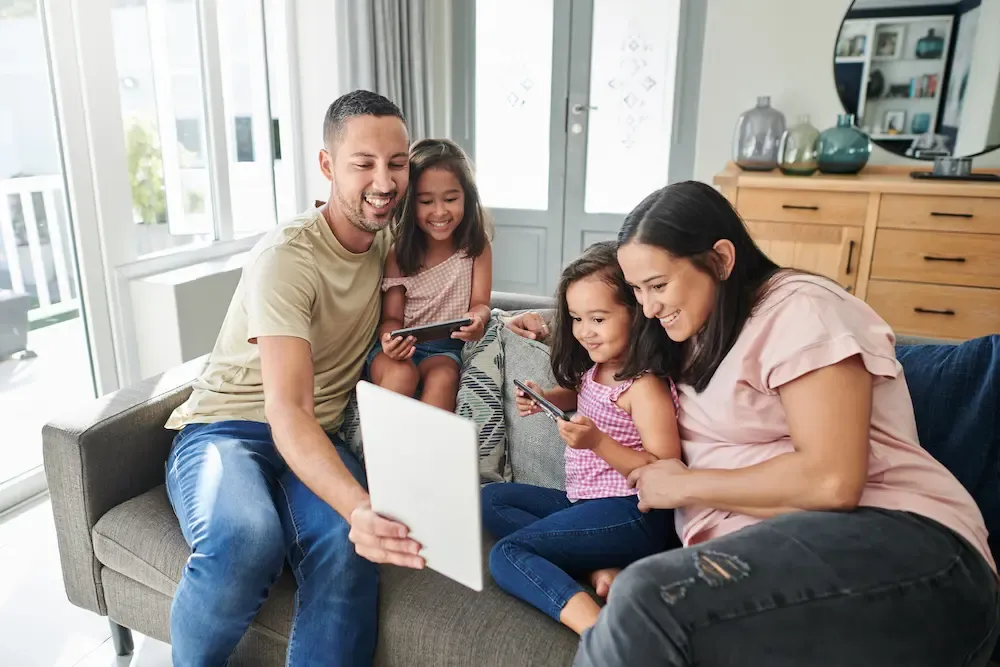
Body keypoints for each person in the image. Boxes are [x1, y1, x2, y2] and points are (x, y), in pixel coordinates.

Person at [563, 181, 998, 666]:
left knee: (644, 598)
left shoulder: (800, 308)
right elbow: (605, 334)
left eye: (659, 286)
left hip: (904, 547)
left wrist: (683, 485)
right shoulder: (688, 330)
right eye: (638, 290)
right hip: (772, 572)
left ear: (721, 259)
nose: (648, 306)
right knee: (641, 617)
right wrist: (540, 326)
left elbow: (832, 480)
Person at [162, 90, 423, 667]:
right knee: (247, 536)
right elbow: (287, 410)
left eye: (397, 163)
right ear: (327, 165)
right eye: (363, 163)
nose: (384, 182)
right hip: (225, 429)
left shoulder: (390, 245)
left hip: (314, 436)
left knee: (350, 551)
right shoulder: (288, 257)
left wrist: (512, 321)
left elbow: (461, 258)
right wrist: (358, 504)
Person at [481, 241, 683, 635]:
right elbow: (582, 395)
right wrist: (547, 397)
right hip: (586, 502)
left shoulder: (645, 388)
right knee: (490, 499)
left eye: (598, 319)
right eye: (576, 318)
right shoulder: (597, 367)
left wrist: (597, 444)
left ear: (637, 313)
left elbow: (666, 471)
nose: (584, 332)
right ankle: (597, 565)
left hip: (634, 513)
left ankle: (603, 635)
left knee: (508, 554)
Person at [367, 138, 492, 411]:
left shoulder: (477, 246)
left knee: (444, 378)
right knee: (402, 375)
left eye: (451, 199)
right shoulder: (399, 253)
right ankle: (383, 439)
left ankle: (427, 441)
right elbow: (391, 318)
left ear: (467, 197)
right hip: (399, 349)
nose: (440, 211)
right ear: (410, 203)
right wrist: (389, 341)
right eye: (426, 201)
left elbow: (480, 303)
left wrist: (478, 319)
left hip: (445, 349)